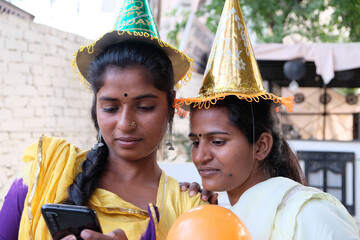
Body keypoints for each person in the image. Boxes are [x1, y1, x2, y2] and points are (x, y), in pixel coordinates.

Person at [0, 1, 207, 239]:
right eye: (110, 108)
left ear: (171, 104)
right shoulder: (45, 170)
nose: (125, 124)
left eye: (144, 107)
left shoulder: (189, 210)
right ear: (95, 106)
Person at [174, 0, 360, 239]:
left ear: (261, 146)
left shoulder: (309, 214)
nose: (200, 156)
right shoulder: (213, 215)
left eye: (217, 141)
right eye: (196, 142)